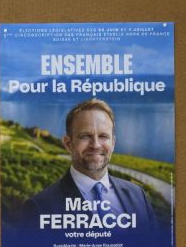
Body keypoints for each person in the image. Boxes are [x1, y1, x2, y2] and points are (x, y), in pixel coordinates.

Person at [23, 98, 157, 230]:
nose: (96, 145)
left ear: (113, 143)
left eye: (103, 136)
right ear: (68, 144)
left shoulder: (137, 195)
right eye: (85, 136)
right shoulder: (39, 208)